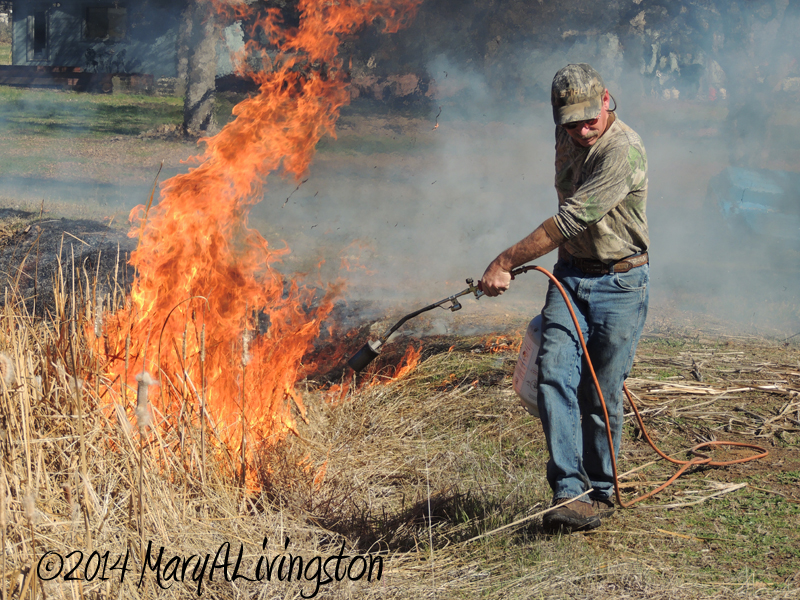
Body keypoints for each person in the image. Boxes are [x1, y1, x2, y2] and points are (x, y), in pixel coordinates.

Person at [479, 63, 649, 533]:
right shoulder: (566, 135)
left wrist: (506, 260)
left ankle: (603, 491)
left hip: (620, 284)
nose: (582, 129)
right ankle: (569, 492)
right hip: (570, 278)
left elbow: (570, 220)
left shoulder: (623, 151)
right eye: (571, 123)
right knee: (553, 374)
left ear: (607, 100)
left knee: (601, 394)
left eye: (589, 118)